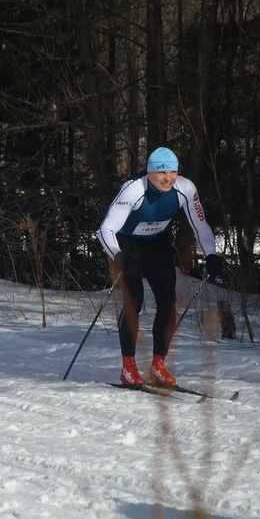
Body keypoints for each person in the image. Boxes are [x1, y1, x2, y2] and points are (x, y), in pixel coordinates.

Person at [98, 147, 223, 386]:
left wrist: (211, 255)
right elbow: (106, 229)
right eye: (162, 172)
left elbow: (201, 225)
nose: (168, 178)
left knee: (168, 300)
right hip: (128, 244)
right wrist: (117, 255)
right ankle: (128, 367)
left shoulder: (185, 188)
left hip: (157, 243)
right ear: (150, 171)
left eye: (173, 171)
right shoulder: (134, 189)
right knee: (135, 299)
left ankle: (158, 364)